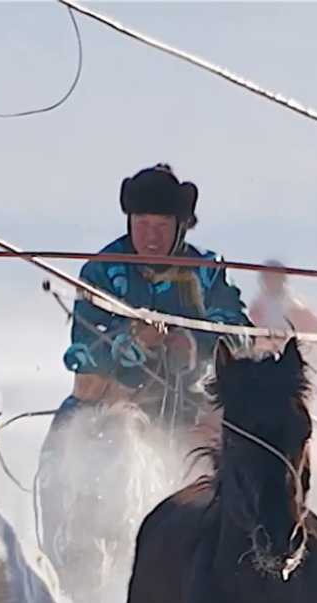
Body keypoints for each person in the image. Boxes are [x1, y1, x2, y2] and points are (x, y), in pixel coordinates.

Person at [57, 163, 251, 429]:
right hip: (110, 403)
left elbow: (241, 334)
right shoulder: (101, 270)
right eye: (142, 223)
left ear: (180, 227)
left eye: (162, 225)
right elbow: (80, 352)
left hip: (194, 405)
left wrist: (192, 343)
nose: (151, 236)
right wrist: (134, 341)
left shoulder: (207, 270)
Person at [248, 260, 317, 334]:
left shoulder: (295, 305)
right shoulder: (257, 306)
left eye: (275, 277)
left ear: (283, 279)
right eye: (268, 277)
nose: (272, 281)